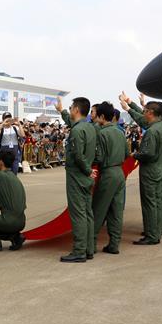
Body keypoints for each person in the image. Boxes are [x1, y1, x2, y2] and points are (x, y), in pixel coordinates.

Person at [122, 98, 162, 245]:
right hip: (159, 167)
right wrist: (130, 105)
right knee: (157, 201)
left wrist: (134, 155)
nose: (144, 114)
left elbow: (147, 153)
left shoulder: (152, 131)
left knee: (149, 203)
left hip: (150, 169)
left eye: (145, 112)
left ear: (151, 113)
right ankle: (157, 229)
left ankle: (151, 235)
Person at [56, 97, 96, 262]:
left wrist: (87, 171)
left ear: (77, 110)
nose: (70, 109)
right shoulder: (89, 127)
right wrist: (62, 111)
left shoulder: (78, 130)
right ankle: (88, 248)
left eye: (71, 107)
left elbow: (78, 155)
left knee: (78, 213)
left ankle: (79, 250)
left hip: (77, 174)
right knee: (87, 212)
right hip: (84, 176)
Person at [90, 102, 129, 254]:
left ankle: (90, 244)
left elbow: (98, 157)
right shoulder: (120, 132)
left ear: (101, 116)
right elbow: (126, 154)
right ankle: (114, 244)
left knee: (98, 209)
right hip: (119, 173)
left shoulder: (101, 133)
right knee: (116, 211)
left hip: (107, 173)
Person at [0, 150, 26, 252]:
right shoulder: (13, 177)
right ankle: (14, 236)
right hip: (21, 221)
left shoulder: (0, 176)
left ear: (1, 163)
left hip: (9, 221)